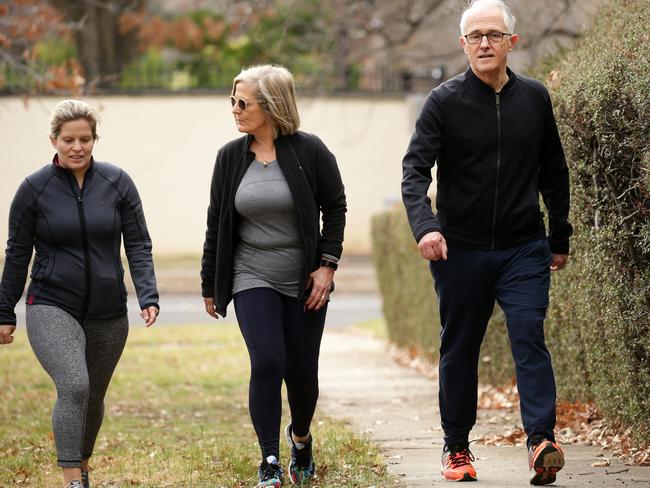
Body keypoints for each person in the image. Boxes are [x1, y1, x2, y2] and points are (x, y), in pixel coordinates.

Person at [401, 0, 572, 485]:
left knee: (528, 336)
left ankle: (542, 441)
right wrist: (426, 226)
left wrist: (558, 236)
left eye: (493, 35)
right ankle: (456, 448)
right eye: (474, 36)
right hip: (461, 249)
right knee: (460, 348)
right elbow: (414, 172)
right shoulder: (444, 101)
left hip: (523, 247)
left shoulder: (535, 99)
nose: (483, 43)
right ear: (463, 44)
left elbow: (554, 173)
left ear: (511, 43)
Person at [0, 100, 159, 488]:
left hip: (108, 310)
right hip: (51, 304)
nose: (77, 147)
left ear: (94, 140)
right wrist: (5, 311)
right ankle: (72, 479)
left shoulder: (117, 182)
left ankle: (82, 465)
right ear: (54, 140)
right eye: (68, 139)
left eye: (85, 139)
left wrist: (147, 294)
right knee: (74, 385)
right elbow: (17, 253)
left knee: (93, 395)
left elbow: (138, 243)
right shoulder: (33, 189)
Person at [201, 64, 346, 487]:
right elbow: (217, 223)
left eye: (242, 102)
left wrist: (327, 265)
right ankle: (269, 458)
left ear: (271, 106)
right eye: (232, 100)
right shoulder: (230, 158)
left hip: (303, 278)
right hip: (250, 273)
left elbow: (334, 207)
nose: (234, 109)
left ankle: (300, 438)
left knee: (301, 372)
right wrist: (211, 282)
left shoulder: (310, 151)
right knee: (267, 361)